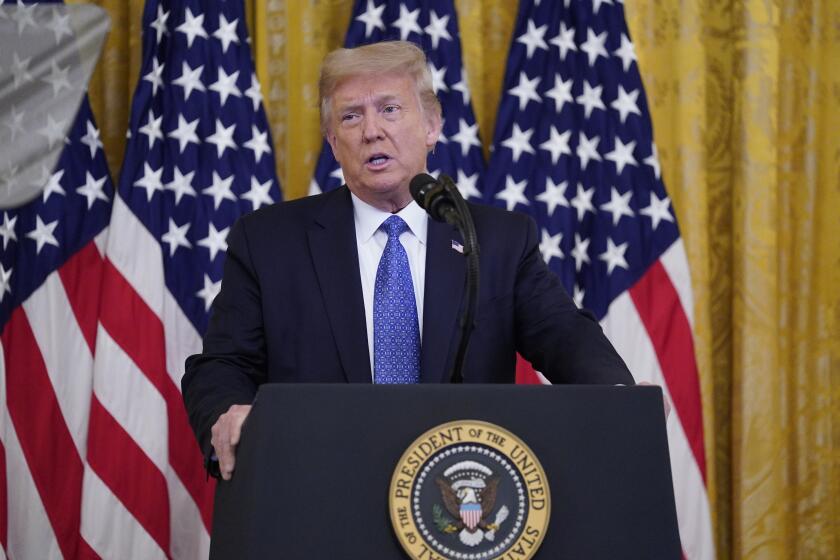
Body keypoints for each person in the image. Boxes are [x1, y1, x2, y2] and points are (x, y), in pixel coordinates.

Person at [181, 41, 635, 480]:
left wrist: (619, 395)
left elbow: (562, 334)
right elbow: (223, 365)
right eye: (351, 115)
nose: (371, 130)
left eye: (390, 109)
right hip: (319, 489)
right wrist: (228, 414)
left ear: (432, 125)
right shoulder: (269, 241)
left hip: (457, 497)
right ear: (334, 143)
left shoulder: (497, 240)